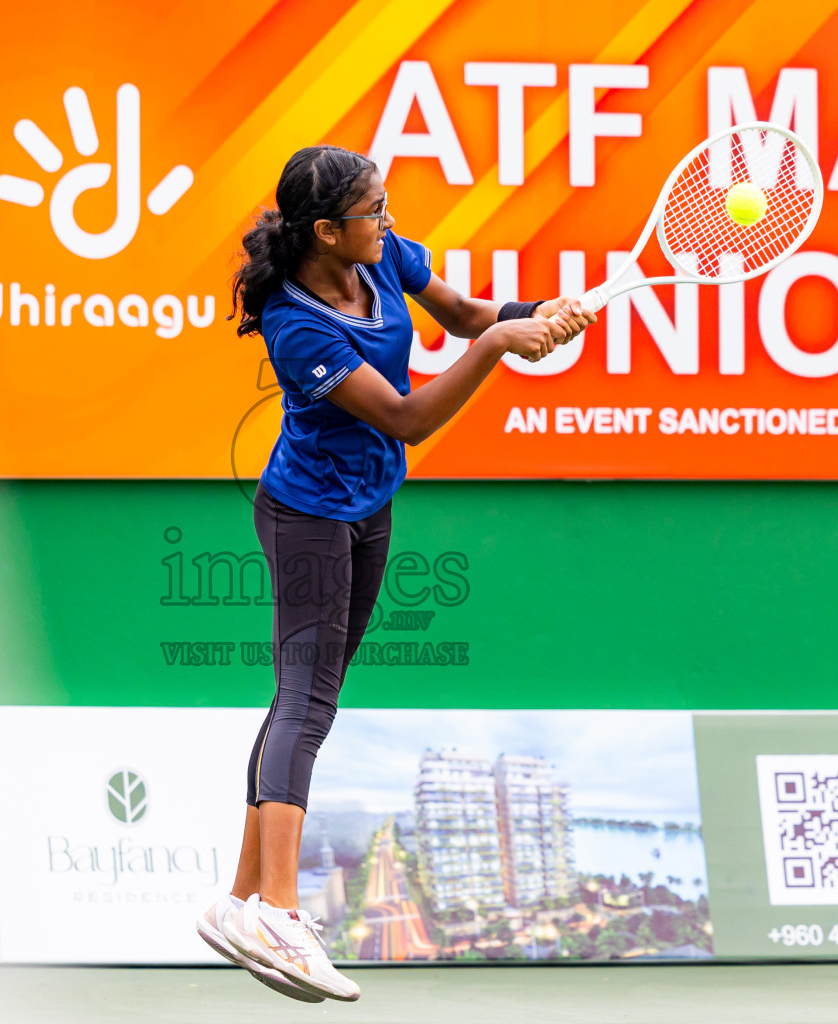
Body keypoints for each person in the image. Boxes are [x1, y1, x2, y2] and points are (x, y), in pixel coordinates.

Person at [195, 145, 594, 1002]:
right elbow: (410, 417)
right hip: (306, 517)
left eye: (384, 205)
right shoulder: (296, 323)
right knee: (305, 700)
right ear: (326, 231)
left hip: (370, 508)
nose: (386, 219)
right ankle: (280, 910)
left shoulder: (382, 255)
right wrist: (497, 347)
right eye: (371, 211)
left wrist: (530, 314)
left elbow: (460, 311)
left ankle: (238, 903)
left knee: (307, 698)